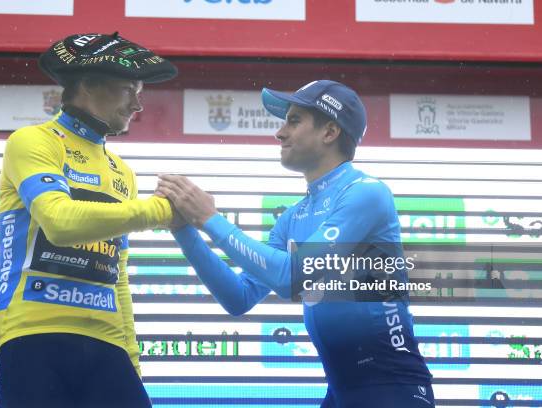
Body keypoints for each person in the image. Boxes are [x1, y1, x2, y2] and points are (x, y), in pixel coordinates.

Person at [157, 80, 435, 407]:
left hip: (393, 387)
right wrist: (184, 229)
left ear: (330, 132)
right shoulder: (294, 216)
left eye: (294, 121)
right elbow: (239, 297)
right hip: (342, 391)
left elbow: (294, 277)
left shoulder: (365, 193)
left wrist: (209, 218)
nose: (279, 133)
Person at [0, 32, 179, 408]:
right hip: (32, 330)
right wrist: (162, 210)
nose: (138, 104)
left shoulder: (122, 171)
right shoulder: (33, 141)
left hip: (107, 342)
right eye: (130, 89)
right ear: (88, 85)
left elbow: (117, 272)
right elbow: (59, 222)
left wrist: (132, 358)